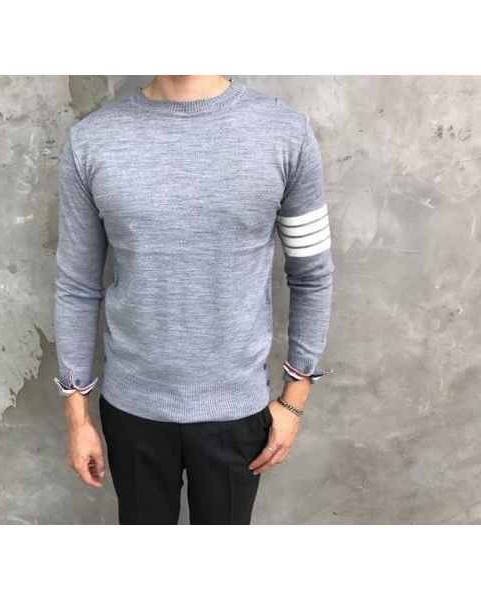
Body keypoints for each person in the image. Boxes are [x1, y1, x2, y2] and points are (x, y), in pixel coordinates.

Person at [53, 75, 334, 524]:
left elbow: (312, 275)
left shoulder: (285, 134)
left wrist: (294, 400)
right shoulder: (93, 141)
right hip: (132, 409)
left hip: (237, 410)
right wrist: (76, 416)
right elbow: (77, 285)